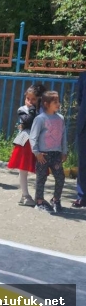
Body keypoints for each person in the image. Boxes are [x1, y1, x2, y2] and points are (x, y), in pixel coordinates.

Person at [7, 83, 46, 207]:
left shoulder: (44, 110)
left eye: (33, 99)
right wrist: (33, 109)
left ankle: (39, 197)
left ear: (40, 98)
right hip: (26, 142)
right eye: (28, 98)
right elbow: (28, 121)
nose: (29, 101)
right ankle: (25, 195)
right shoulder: (23, 109)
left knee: (41, 170)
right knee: (23, 169)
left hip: (41, 143)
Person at [30, 91, 68, 214]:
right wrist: (37, 152)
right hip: (43, 155)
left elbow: (63, 136)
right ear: (46, 104)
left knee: (60, 177)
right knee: (41, 178)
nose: (58, 104)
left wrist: (64, 151)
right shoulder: (40, 119)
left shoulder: (60, 118)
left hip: (56, 154)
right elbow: (33, 137)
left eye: (58, 101)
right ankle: (39, 201)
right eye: (55, 102)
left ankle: (55, 199)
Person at [74, 71, 86, 208]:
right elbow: (80, 98)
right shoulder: (83, 76)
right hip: (84, 124)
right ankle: (82, 196)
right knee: (83, 161)